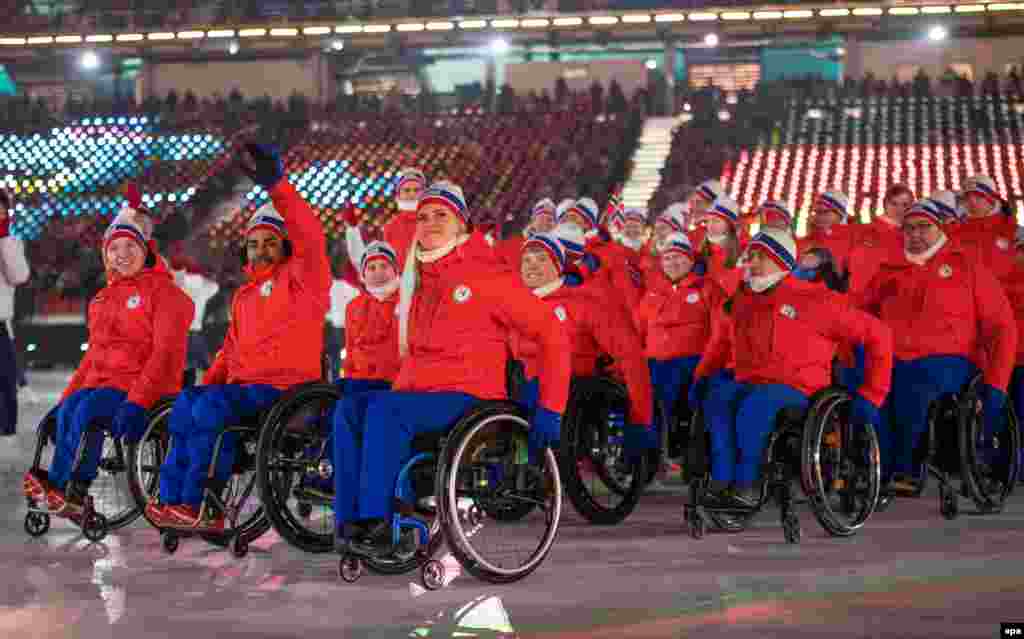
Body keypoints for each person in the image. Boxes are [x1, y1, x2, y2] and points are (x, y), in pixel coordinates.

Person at [332, 181, 571, 557]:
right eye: (423, 216)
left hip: (470, 396)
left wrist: (552, 407)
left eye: (441, 215)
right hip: (418, 392)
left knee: (385, 411)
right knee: (349, 409)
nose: (430, 223)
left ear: (462, 223)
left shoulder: (487, 274)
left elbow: (552, 335)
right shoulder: (415, 279)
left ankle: (381, 520)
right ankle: (350, 522)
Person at [151, 143, 331, 530]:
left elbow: (311, 236)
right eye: (254, 243)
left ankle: (205, 504)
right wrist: (206, 386)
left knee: (211, 408)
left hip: (286, 392)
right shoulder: (244, 296)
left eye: (270, 242)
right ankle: (172, 500)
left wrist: (278, 187)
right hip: (246, 390)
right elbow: (229, 353)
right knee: (188, 403)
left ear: (286, 246)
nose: (261, 250)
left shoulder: (304, 281)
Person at [690, 228, 893, 507]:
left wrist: (873, 393)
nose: (752, 262)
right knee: (717, 399)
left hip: (799, 387)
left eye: (760, 257)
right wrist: (701, 376)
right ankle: (721, 480)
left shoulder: (816, 299)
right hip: (750, 380)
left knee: (754, 406)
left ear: (780, 261)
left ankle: (747, 484)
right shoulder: (740, 300)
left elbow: (879, 334)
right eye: (751, 256)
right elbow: (720, 344)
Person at [23, 204, 193, 517]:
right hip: (107, 386)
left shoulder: (165, 293)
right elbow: (91, 360)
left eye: (130, 246)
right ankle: (59, 485)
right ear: (105, 255)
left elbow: (164, 355)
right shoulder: (103, 299)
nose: (122, 254)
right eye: (114, 248)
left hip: (144, 388)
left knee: (87, 409)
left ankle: (73, 488)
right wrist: (62, 402)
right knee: (73, 407)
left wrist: (138, 402)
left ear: (145, 249)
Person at [854, 196, 1017, 495]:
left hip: (949, 357)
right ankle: (875, 465)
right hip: (893, 355)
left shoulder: (967, 265)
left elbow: (1001, 326)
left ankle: (905, 468)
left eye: (923, 227)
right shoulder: (889, 269)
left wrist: (997, 383)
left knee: (914, 383)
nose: (915, 234)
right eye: (909, 228)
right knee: (865, 383)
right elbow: (860, 314)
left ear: (940, 228)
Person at [515, 230, 654, 460]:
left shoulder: (584, 303)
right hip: (519, 381)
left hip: (569, 384)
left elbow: (630, 355)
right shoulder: (513, 304)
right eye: (527, 260)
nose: (532, 266)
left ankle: (526, 461)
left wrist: (641, 417)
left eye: (541, 259)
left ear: (559, 266)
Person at [321, 241, 401, 508]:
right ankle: (324, 469)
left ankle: (341, 477)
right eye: (371, 267)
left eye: (383, 266)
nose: (378, 273)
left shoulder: (406, 303)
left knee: (349, 401)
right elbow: (352, 352)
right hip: (359, 380)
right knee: (324, 397)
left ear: (395, 270)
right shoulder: (354, 307)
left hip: (392, 382)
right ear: (363, 274)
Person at [634, 232, 725, 453]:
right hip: (653, 361)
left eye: (678, 257)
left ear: (690, 260)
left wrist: (705, 366)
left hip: (690, 362)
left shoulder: (708, 289)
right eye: (667, 258)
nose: (672, 263)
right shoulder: (653, 292)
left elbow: (720, 332)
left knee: (664, 391)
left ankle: (665, 451)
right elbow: (637, 330)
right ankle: (639, 455)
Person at [345, 168, 427, 271]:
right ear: (398, 194)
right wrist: (352, 230)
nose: (412, 194)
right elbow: (371, 263)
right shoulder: (390, 227)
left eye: (417, 190)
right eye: (407, 190)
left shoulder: (436, 221)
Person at [949, 175, 1018, 285]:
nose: (972, 202)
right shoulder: (955, 231)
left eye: (978, 196)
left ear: (991, 198)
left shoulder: (1014, 230)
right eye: (967, 197)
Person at [0, 189, 29, 436]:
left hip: (0, 322)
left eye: (2, 211)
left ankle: (6, 429)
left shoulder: (10, 243)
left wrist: (4, 241)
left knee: (6, 382)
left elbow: (19, 276)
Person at [174, 262, 219, 382]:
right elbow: (214, 286)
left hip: (178, 334)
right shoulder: (205, 287)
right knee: (194, 369)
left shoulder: (178, 285)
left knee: (180, 369)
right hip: (194, 334)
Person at [697, 194, 743, 295]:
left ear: (729, 225)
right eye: (708, 221)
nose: (710, 225)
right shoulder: (700, 252)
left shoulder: (743, 253)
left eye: (716, 221)